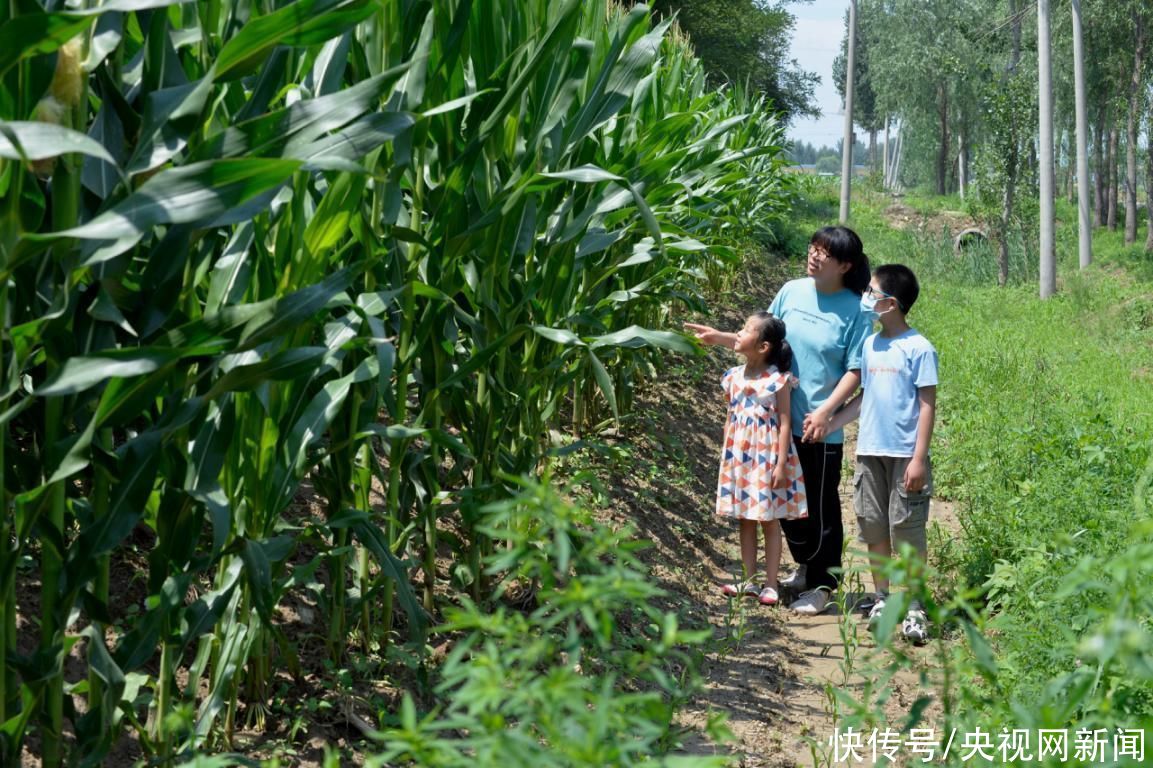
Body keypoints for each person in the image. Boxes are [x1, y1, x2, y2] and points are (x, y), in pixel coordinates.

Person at [686, 226, 872, 615]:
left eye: (825, 252)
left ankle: (822, 584)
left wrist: (827, 413)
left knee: (820, 511)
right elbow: (764, 340)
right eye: (813, 247)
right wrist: (721, 337)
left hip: (817, 427)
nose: (815, 255)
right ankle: (806, 570)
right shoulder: (791, 290)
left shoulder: (855, 309)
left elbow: (856, 370)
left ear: (845, 265)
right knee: (785, 506)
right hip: (770, 427)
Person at [817, 264, 938, 644]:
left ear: (891, 303)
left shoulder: (919, 348)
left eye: (872, 292)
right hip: (870, 451)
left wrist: (919, 458)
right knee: (873, 525)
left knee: (907, 531)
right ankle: (883, 596)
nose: (866, 298)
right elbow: (864, 397)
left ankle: (916, 606)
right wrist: (831, 423)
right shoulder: (871, 344)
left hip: (904, 455)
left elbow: (927, 405)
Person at [714, 312, 808, 606]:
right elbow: (731, 417)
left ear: (764, 346)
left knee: (769, 520)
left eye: (745, 329)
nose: (739, 333)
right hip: (740, 459)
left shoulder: (777, 381)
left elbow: (784, 424)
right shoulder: (733, 377)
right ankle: (749, 580)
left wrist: (780, 464)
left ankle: (770, 584)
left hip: (766, 458)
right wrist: (727, 457)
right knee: (745, 519)